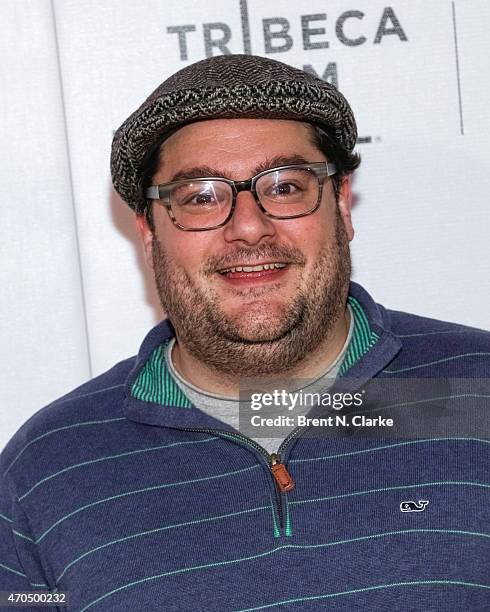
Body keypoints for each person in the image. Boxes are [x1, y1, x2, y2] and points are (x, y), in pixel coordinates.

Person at [1, 54, 488, 612]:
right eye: (201, 197)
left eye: (284, 187)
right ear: (149, 232)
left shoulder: (480, 390)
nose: (249, 226)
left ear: (342, 205)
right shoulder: (46, 469)